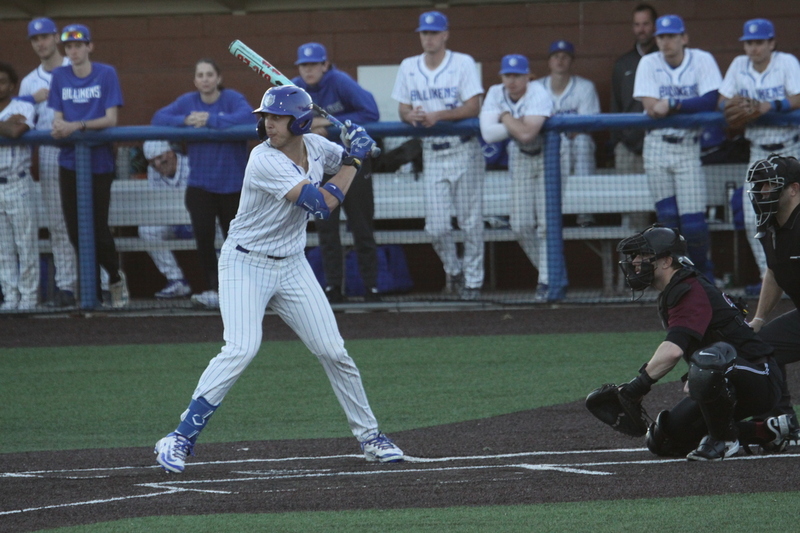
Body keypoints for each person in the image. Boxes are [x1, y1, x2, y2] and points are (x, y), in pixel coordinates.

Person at [154, 85, 404, 473]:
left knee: (334, 351)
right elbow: (321, 204)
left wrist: (359, 144)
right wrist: (354, 161)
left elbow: (348, 158)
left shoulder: (317, 148)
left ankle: (370, 436)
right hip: (244, 264)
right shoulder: (262, 159)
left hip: (291, 264)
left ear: (300, 122)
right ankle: (180, 438)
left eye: (277, 117)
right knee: (241, 348)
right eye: (266, 117)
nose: (268, 123)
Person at [615, 225, 785, 460]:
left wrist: (637, 387)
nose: (634, 262)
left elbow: (673, 351)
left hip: (760, 375)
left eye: (642, 256)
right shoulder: (675, 289)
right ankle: (767, 431)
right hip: (731, 372)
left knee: (707, 363)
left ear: (666, 261)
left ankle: (724, 441)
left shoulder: (688, 289)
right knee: (664, 440)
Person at [391, 11, 485, 300]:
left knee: (470, 222)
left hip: (463, 148)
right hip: (432, 152)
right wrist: (412, 115)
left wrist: (439, 115)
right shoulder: (409, 66)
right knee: (436, 227)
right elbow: (402, 109)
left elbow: (474, 106)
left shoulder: (463, 63)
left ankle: (473, 281)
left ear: (445, 35)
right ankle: (453, 269)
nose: (428, 37)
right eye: (424, 33)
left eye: (433, 33)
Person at [151, 59, 254, 310]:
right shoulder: (187, 102)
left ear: (218, 78)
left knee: (237, 242)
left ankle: (240, 291)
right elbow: (158, 118)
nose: (205, 79)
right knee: (204, 239)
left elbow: (248, 118)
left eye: (210, 74)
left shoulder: (233, 98)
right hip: (200, 186)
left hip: (233, 186)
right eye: (200, 75)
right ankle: (212, 289)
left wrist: (210, 120)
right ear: (195, 81)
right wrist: (186, 120)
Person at [633, 14, 721, 282]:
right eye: (661, 36)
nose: (666, 41)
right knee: (668, 221)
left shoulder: (702, 59)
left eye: (672, 36)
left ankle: (703, 276)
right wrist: (670, 104)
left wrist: (672, 103)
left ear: (684, 38)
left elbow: (711, 99)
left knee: (694, 225)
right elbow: (650, 105)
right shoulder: (649, 61)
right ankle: (674, 279)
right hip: (657, 145)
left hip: (687, 147)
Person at [291, 42, 381, 303]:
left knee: (362, 226)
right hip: (321, 165)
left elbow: (371, 113)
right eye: (303, 65)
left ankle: (371, 287)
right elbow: (284, 124)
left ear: (324, 65)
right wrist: (307, 128)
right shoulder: (296, 88)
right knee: (326, 228)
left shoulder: (339, 81)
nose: (308, 70)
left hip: (352, 161)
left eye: (313, 64)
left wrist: (323, 123)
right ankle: (333, 287)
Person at [47, 23, 128, 308]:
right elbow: (56, 117)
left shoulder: (106, 73)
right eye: (69, 46)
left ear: (89, 46)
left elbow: (111, 119)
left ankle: (115, 278)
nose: (74, 51)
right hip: (69, 162)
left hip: (99, 162)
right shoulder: (59, 75)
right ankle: (91, 294)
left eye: (79, 45)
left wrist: (76, 126)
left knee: (98, 228)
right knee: (74, 231)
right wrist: (60, 127)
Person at [718, 19, 800, 293]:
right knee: (755, 216)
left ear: (771, 43)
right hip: (759, 154)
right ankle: (772, 278)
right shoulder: (739, 66)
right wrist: (737, 106)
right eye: (749, 42)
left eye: (759, 42)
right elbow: (721, 100)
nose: (753, 48)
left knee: (794, 214)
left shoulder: (786, 62)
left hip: (789, 148)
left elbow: (798, 95)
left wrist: (769, 106)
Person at [480, 54, 553, 302]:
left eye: (517, 75)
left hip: (550, 157)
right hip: (521, 157)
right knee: (520, 224)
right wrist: (516, 123)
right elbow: (488, 135)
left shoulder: (539, 92)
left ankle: (546, 280)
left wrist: (504, 117)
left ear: (527, 77)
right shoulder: (494, 92)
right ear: (501, 76)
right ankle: (549, 273)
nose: (512, 80)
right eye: (507, 75)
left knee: (546, 224)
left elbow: (527, 133)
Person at [19, 17, 77, 308]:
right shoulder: (30, 81)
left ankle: (103, 283)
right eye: (34, 39)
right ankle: (66, 286)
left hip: (81, 150)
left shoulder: (76, 65)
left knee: (90, 222)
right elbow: (17, 119)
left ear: (56, 38)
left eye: (44, 36)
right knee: (59, 224)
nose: (40, 42)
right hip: (50, 155)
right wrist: (30, 99)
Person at [744, 154, 800, 446]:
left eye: (768, 185)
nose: (761, 192)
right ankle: (785, 423)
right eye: (759, 186)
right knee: (763, 345)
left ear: (794, 189)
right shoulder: (768, 222)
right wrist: (759, 318)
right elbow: (774, 272)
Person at [0, 62, 39, 311]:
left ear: (12, 85)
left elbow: (16, 132)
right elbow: (9, 127)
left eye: (3, 81)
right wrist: (5, 125)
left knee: (25, 245)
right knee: (2, 248)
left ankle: (29, 298)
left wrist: (9, 127)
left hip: (17, 181)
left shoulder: (23, 105)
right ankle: (10, 297)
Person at [140, 140, 192, 299]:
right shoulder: (153, 171)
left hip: (199, 221)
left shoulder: (190, 164)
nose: (157, 164)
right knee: (147, 230)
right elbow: (157, 203)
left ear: (170, 153)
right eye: (152, 162)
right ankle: (176, 280)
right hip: (172, 221)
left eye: (160, 158)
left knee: (220, 232)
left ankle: (223, 284)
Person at [610, 3, 658, 174]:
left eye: (645, 24)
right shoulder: (623, 64)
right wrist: (616, 141)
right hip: (627, 146)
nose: (641, 29)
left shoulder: (664, 60)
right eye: (637, 25)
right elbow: (615, 105)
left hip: (659, 144)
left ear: (654, 26)